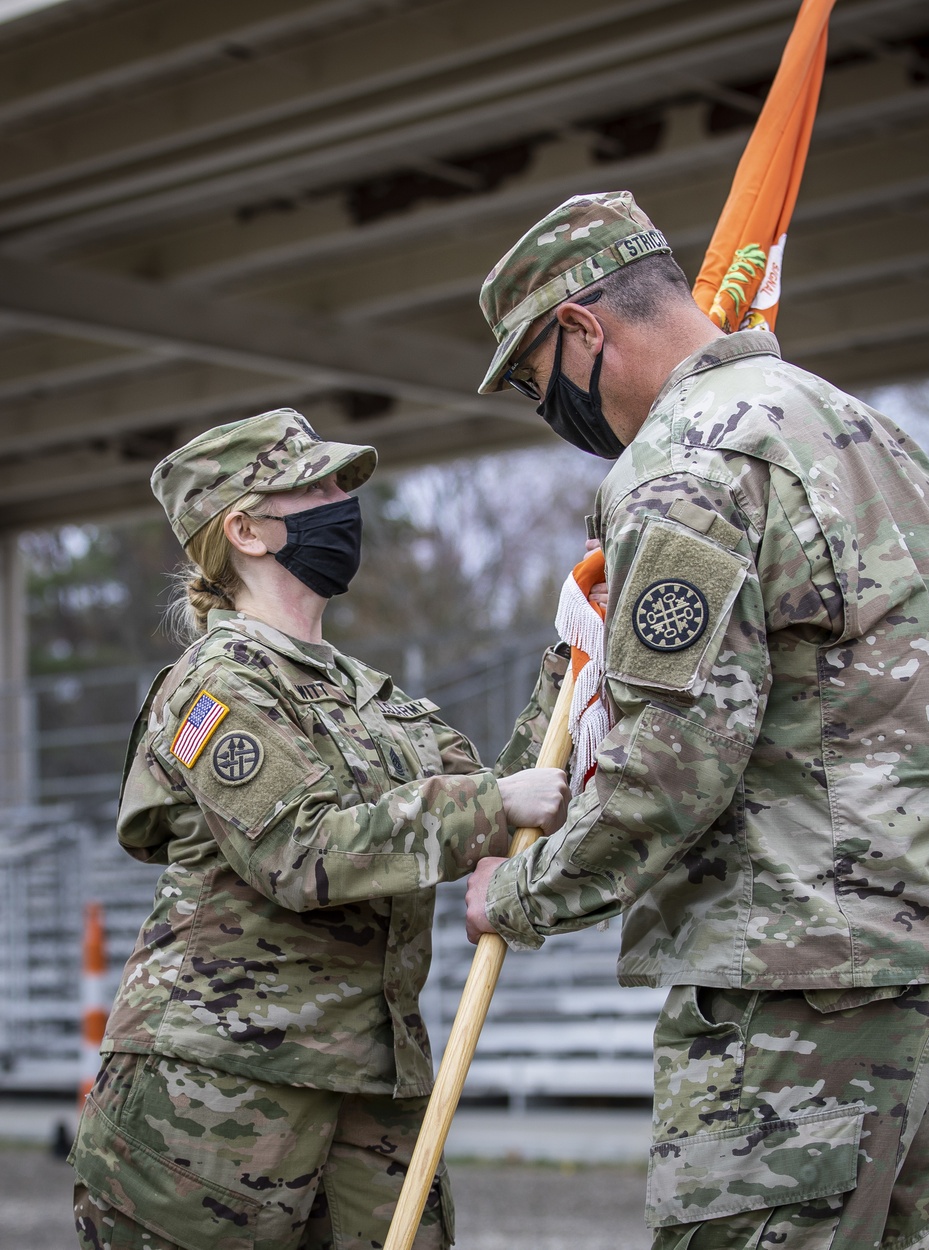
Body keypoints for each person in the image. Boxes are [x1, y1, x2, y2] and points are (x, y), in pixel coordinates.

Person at [464, 191, 929, 1247]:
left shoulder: (686, 467)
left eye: (539, 382)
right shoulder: (871, 433)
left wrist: (519, 893)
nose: (552, 414)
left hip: (794, 993)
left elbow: (671, 765)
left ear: (582, 330)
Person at [70, 407, 569, 1250]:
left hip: (369, 1081)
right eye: (319, 487)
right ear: (246, 530)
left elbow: (494, 802)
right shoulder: (215, 685)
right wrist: (493, 806)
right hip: (220, 1095)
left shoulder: (368, 694)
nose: (346, 502)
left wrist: (571, 661)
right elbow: (300, 852)